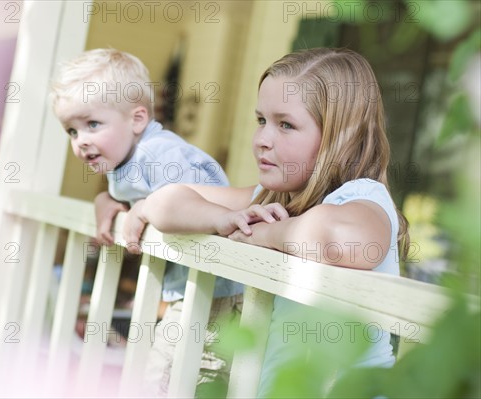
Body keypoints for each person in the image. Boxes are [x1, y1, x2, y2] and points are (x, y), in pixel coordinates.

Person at [123, 47, 410, 396]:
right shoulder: (271, 198)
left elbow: (338, 240)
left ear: (341, 137)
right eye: (261, 121)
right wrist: (224, 218)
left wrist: (266, 234)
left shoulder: (363, 198)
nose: (262, 140)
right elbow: (168, 198)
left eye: (285, 124)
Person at [50, 48, 244, 396]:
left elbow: (198, 203)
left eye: (92, 124)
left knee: (164, 379)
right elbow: (133, 194)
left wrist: (147, 206)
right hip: (191, 292)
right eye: (71, 131)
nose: (81, 142)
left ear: (137, 119)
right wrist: (107, 199)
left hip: (215, 293)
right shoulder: (126, 158)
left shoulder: (159, 154)